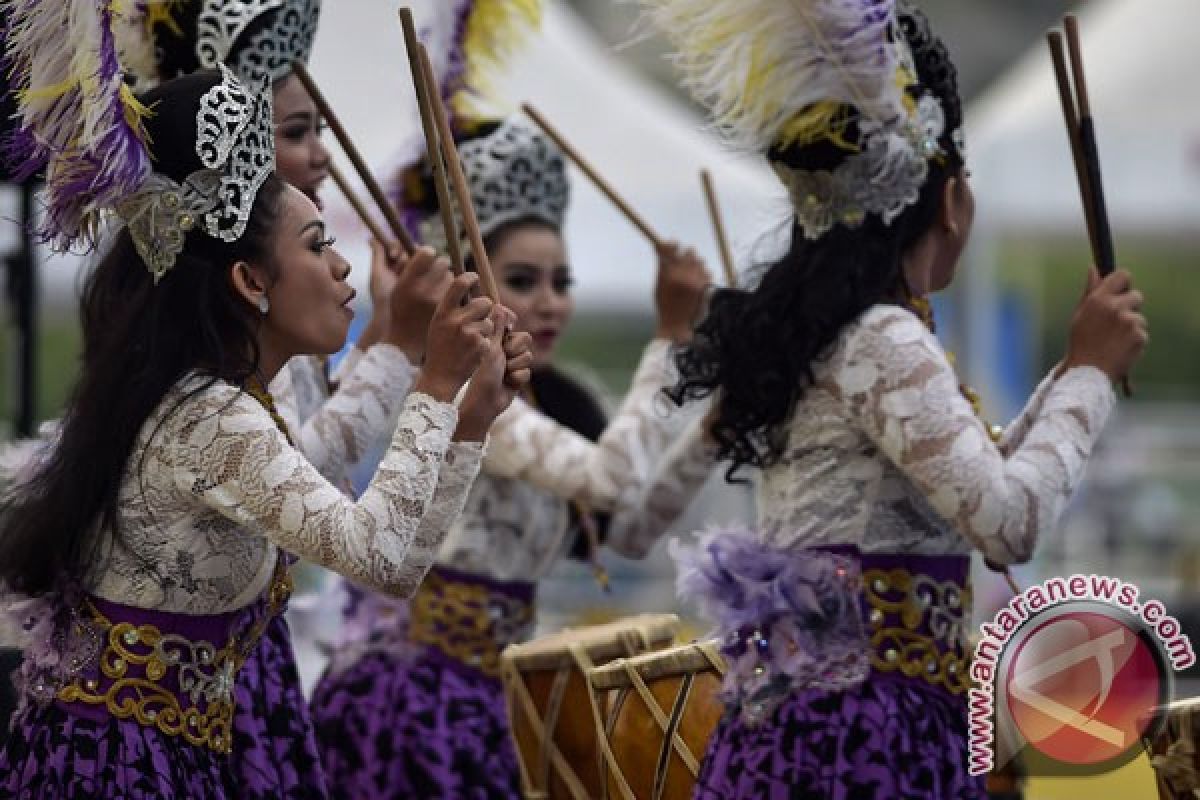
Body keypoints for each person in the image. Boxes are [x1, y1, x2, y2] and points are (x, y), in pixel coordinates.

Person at [626, 1, 1149, 796]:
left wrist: (1080, 364)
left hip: (810, 730)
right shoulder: (884, 337)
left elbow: (977, 483)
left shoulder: (824, 335)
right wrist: (1089, 377)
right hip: (870, 733)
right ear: (951, 203)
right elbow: (1008, 525)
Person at [0, 30, 530, 796]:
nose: (344, 263)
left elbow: (393, 563)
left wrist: (469, 418)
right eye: (319, 245)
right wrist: (434, 384)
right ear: (251, 282)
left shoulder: (224, 400)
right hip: (118, 766)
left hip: (173, 751)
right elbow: (378, 555)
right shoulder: (211, 416)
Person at [308, 111, 712, 799]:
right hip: (423, 709)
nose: (550, 304)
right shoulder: (474, 398)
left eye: (562, 282)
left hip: (508, 697)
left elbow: (635, 530)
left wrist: (720, 431)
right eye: (523, 282)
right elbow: (610, 478)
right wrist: (671, 337)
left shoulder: (559, 400)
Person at [120, 4, 452, 796]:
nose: (322, 158)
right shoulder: (196, 365)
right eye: (296, 131)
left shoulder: (247, 329)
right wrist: (410, 357)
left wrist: (401, 355)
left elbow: (293, 477)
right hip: (170, 716)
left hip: (230, 668)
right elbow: (300, 484)